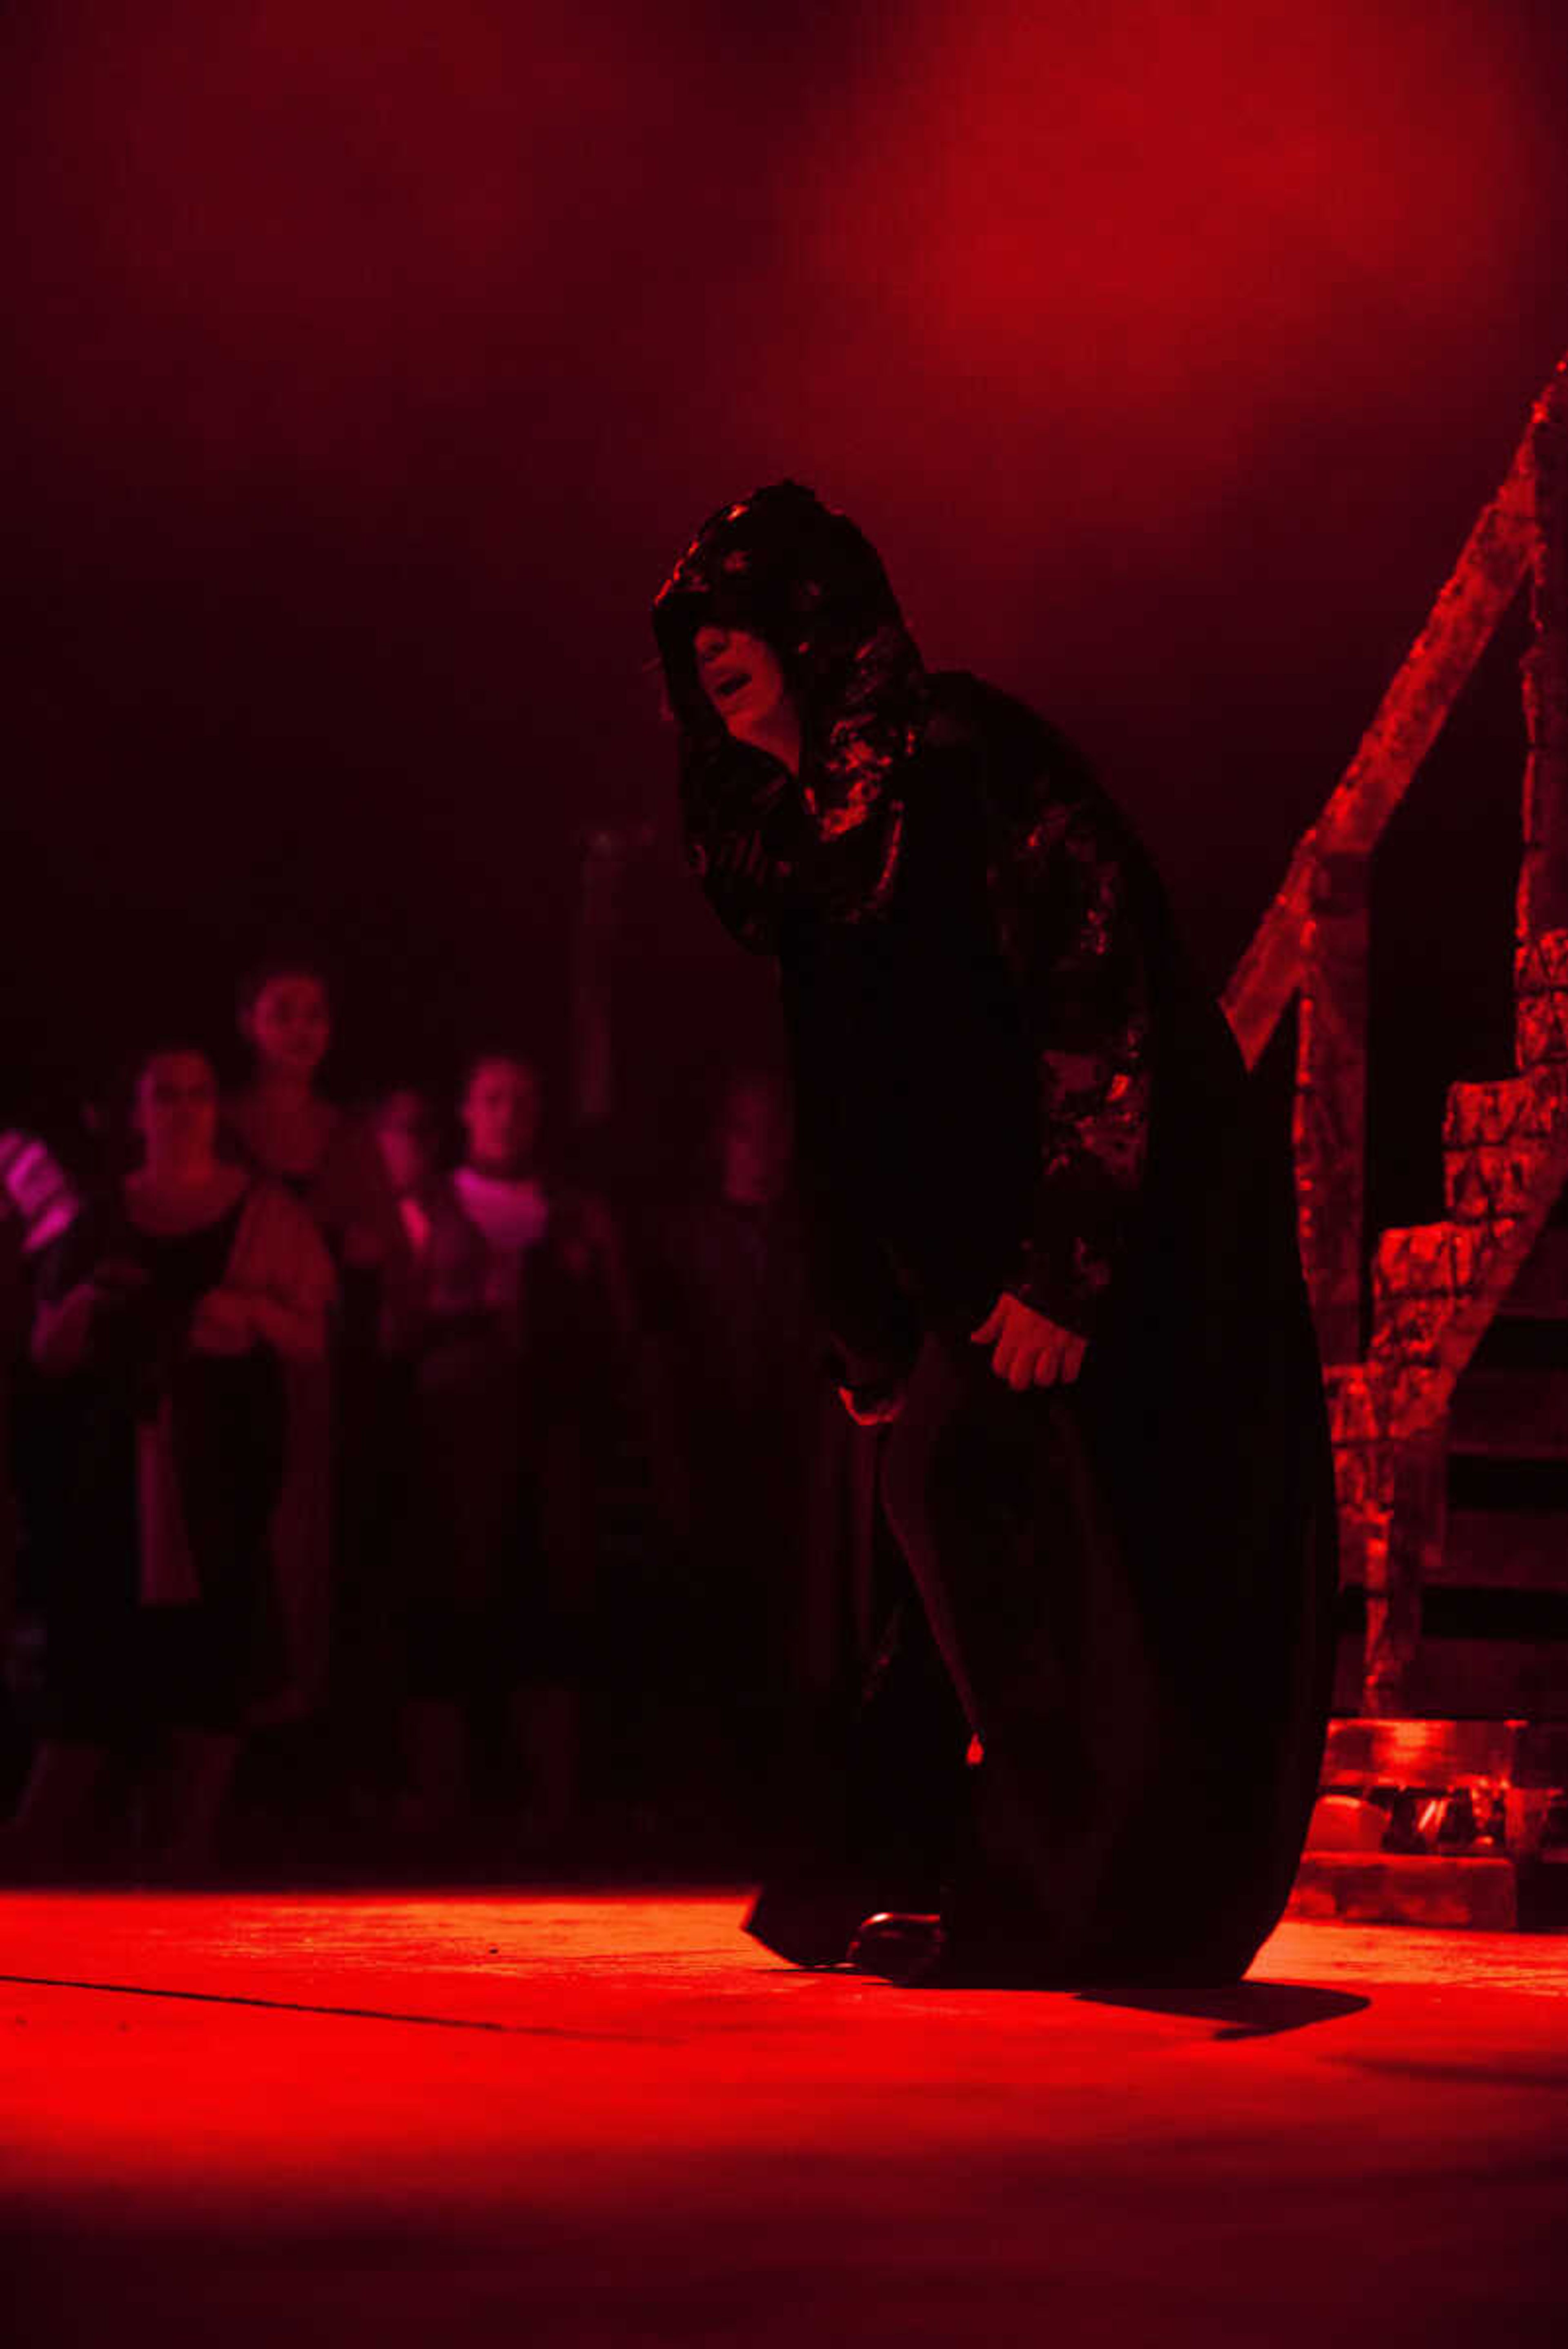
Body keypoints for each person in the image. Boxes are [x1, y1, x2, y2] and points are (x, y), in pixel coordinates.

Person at [652, 480, 1337, 1986]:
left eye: (741, 623)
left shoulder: (962, 763)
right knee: (970, 1529)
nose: (713, 653)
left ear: (819, 623)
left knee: (1024, 1532)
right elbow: (849, 1086)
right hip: (961, 1270)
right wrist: (868, 1324)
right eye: (695, 638)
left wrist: (1068, 1257)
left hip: (1092, 1249)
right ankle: (1007, 1882)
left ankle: (1070, 1899)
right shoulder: (809, 837)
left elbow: (1097, 984)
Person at [6, 1047, 334, 1876]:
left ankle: (185, 1844)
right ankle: (52, 1844)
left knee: (213, 1638)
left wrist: (247, 1309)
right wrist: (88, 1301)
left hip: (220, 1464)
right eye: (166, 1095)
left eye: (198, 1093)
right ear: (138, 1112)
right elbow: (49, 1349)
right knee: (97, 1639)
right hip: (118, 1467)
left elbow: (312, 1332)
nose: (184, 1110)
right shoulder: (105, 1218)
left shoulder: (262, 1214)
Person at [398, 1052, 633, 1849]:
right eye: (493, 1097)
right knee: (446, 1602)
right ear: (465, 1109)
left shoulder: (577, 1212)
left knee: (552, 1605)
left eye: (523, 1100)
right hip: (453, 1437)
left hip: (553, 1436)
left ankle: (552, 1811)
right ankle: (443, 1805)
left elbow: (622, 1325)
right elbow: (393, 1327)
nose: (508, 1114)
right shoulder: (429, 1205)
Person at [226, 957, 409, 1732]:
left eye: (316, 1013)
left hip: (323, 1373)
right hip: (229, 1371)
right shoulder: (223, 1125)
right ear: (250, 1023)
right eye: (285, 1011)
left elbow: (396, 1263)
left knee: (313, 1531)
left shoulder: (350, 1139)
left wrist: (366, 1259)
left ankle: (304, 1711)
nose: (303, 1028)